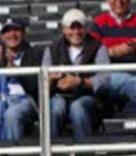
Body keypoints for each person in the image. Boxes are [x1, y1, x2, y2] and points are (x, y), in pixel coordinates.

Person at [42, 9, 110, 141]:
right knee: (56, 107)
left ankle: (85, 155)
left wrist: (80, 82)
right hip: (59, 95)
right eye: (71, 28)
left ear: (86, 28)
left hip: (89, 96)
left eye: (80, 27)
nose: (76, 32)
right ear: (63, 30)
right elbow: (42, 82)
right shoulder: (52, 49)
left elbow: (105, 80)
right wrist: (50, 79)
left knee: (77, 107)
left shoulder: (98, 47)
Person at [0, 19, 42, 143]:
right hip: (1, 98)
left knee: (12, 115)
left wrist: (16, 70)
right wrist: (1, 66)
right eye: (7, 31)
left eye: (16, 30)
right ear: (2, 36)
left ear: (23, 33)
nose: (12, 35)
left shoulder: (35, 54)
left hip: (26, 99)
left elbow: (34, 88)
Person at [89, 0, 136, 112]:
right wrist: (110, 52)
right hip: (109, 74)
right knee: (128, 81)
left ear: (129, 0)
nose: (119, 1)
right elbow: (89, 54)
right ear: (108, 0)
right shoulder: (98, 23)